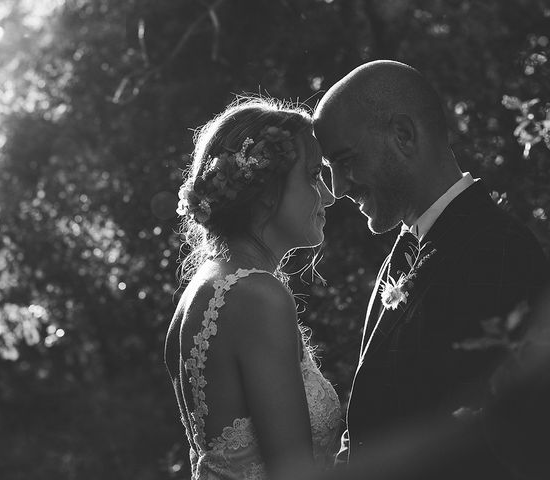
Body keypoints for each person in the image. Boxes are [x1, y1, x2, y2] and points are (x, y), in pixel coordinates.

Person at [313, 60, 548, 478]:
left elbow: (512, 436)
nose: (338, 187)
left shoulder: (500, 251)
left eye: (345, 160)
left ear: (403, 135)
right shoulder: (401, 254)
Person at [165, 97, 341, 479]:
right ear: (264, 190)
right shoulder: (257, 296)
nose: (328, 195)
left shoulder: (200, 293)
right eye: (313, 176)